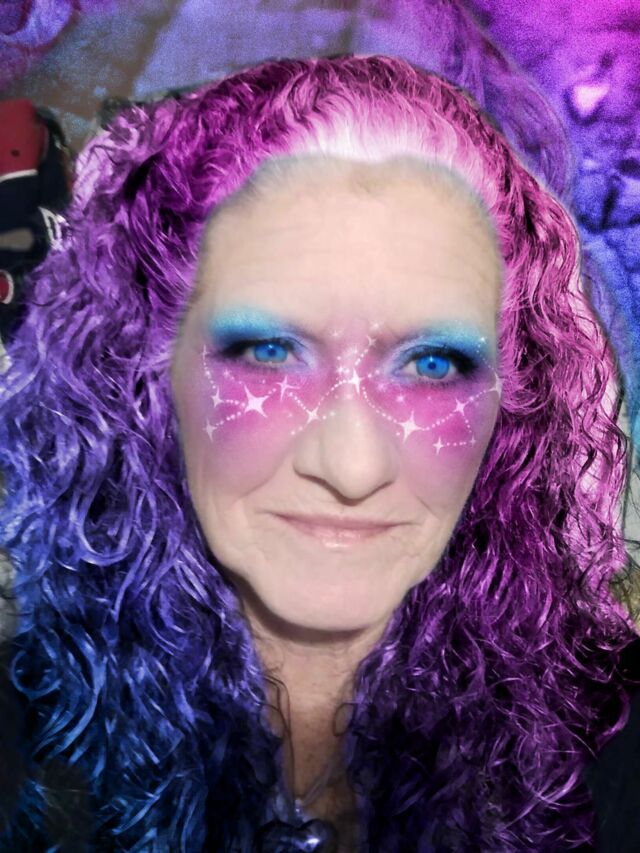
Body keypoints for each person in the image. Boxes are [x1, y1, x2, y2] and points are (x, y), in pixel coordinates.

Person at [0, 54, 637, 853]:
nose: (352, 465)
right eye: (269, 351)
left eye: (433, 363)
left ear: (512, 401)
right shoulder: (23, 741)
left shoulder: (614, 747)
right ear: (148, 373)